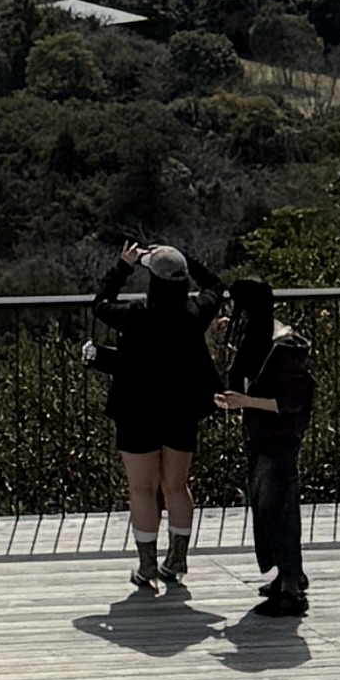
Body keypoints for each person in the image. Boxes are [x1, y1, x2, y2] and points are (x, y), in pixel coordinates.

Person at [94, 234, 217, 597]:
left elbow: (100, 304)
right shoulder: (196, 313)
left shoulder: (135, 315)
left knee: (142, 489)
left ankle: (147, 564)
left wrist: (123, 266)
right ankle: (177, 559)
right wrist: (184, 258)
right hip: (182, 407)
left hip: (137, 408)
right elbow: (215, 286)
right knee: (176, 486)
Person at [217, 268, 317, 617]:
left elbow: (290, 402)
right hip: (261, 436)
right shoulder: (263, 338)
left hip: (278, 438)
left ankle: (291, 588)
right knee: (266, 505)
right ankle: (286, 575)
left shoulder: (284, 348)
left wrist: (244, 403)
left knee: (279, 507)